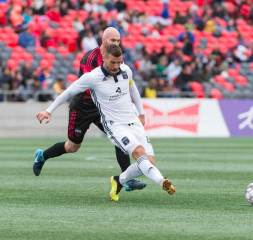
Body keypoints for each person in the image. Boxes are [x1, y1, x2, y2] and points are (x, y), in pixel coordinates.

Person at [36, 45, 176, 201]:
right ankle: (162, 181)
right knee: (137, 152)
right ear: (104, 59)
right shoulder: (92, 77)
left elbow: (133, 89)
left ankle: (119, 181)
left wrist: (141, 113)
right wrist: (48, 110)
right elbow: (69, 91)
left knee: (149, 161)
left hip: (133, 121)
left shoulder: (126, 70)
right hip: (114, 125)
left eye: (119, 62)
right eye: (113, 63)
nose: (116, 66)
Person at [33, 27, 146, 191]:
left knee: (119, 137)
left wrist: (138, 110)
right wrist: (49, 110)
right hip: (82, 107)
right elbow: (80, 88)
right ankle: (42, 156)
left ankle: (126, 178)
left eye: (118, 40)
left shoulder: (116, 58)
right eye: (112, 40)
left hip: (102, 108)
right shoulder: (91, 59)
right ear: (103, 39)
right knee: (72, 147)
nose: (115, 43)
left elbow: (128, 84)